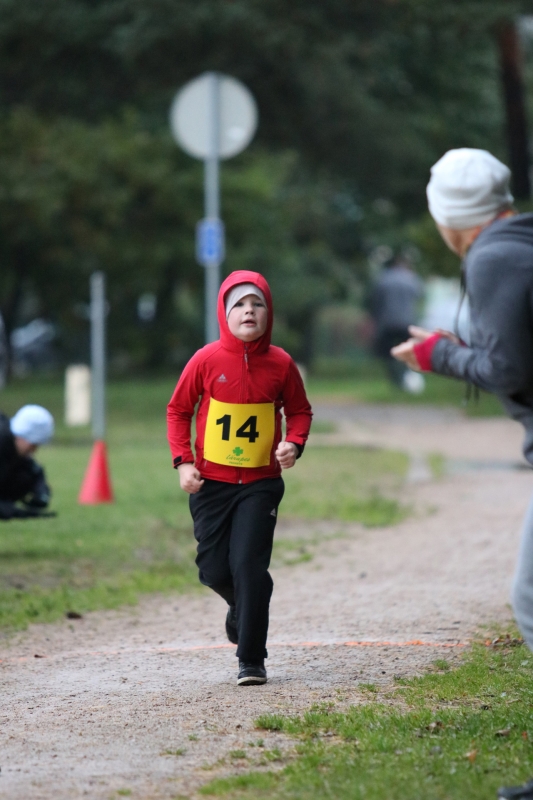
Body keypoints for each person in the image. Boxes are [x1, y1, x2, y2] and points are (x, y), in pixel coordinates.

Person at [390, 147, 533, 800]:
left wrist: (437, 356)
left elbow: (506, 371)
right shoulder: (520, 239)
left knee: (530, 600)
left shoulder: (492, 256)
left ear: (450, 220)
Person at [167, 270, 312, 686]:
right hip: (211, 484)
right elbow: (178, 410)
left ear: (269, 314)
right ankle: (243, 607)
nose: (249, 311)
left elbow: (299, 410)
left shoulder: (281, 363)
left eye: (258, 304)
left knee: (248, 565)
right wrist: (184, 462)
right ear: (224, 315)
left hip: (261, 483)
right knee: (214, 569)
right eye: (239, 305)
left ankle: (251, 658)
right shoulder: (206, 360)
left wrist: (295, 442)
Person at [368, 253, 425, 393]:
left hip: (388, 322)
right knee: (408, 351)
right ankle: (408, 376)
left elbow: (376, 302)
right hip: (407, 322)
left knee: (390, 354)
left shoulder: (383, 279)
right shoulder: (412, 279)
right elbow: (420, 296)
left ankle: (395, 380)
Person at [0, 404, 55, 519]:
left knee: (25, 476)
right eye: (33, 444)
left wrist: (41, 493)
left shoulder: (13, 445)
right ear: (23, 436)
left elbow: (34, 471)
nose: (34, 450)